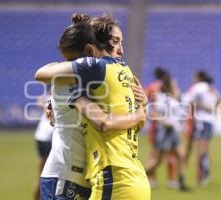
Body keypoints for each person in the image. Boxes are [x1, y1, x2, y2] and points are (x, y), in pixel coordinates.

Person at [35, 15, 151, 200]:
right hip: (67, 174)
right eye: (115, 42)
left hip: (94, 175)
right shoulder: (83, 72)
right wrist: (140, 114)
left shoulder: (109, 77)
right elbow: (103, 122)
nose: (119, 50)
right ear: (92, 49)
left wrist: (142, 107)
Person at [146, 74, 189, 191]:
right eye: (173, 84)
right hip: (166, 132)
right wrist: (165, 122)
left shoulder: (173, 97)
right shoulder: (162, 98)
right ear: (168, 85)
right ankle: (142, 175)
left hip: (173, 132)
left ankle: (181, 182)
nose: (175, 85)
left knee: (181, 155)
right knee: (158, 161)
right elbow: (155, 113)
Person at [185, 70, 221, 186]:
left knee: (200, 151)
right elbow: (220, 100)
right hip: (210, 122)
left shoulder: (198, 87)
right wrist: (213, 109)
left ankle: (203, 177)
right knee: (205, 150)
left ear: (199, 77)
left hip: (201, 121)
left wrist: (203, 107)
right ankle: (205, 176)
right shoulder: (212, 89)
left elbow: (190, 101)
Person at [33, 92, 54, 200]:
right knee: (44, 176)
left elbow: (40, 99)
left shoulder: (50, 97)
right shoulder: (60, 95)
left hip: (42, 136)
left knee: (43, 176)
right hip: (47, 138)